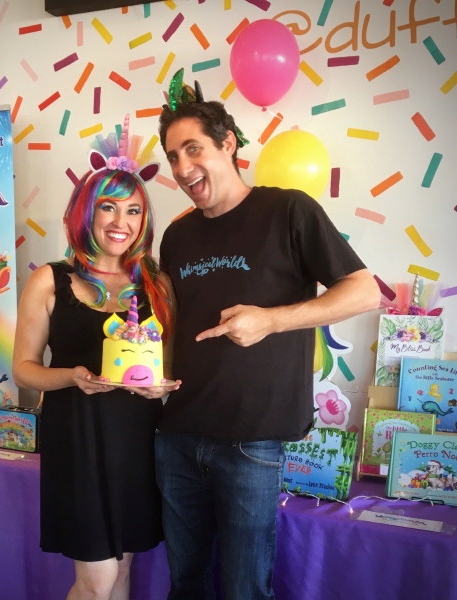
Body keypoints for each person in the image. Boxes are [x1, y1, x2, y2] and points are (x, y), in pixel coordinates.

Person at [154, 70, 381, 600]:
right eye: (172, 156)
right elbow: (171, 326)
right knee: (185, 585)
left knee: (244, 590)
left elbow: (364, 292)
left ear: (228, 144)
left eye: (193, 149)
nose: (182, 168)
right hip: (177, 435)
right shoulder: (177, 235)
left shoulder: (289, 210)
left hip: (251, 442)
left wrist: (271, 319)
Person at [12, 116, 179, 600]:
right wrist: (72, 376)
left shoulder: (157, 284)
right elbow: (23, 368)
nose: (120, 223)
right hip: (77, 442)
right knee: (97, 581)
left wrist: (159, 387)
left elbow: (164, 368)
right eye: (108, 207)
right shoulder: (50, 279)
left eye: (133, 210)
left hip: (137, 444)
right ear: (86, 212)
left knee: (121, 574)